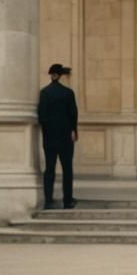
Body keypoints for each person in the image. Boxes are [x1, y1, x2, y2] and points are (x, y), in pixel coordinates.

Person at [37, 63, 78, 210]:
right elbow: (73, 114)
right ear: (60, 75)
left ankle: (48, 200)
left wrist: (47, 132)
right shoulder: (68, 93)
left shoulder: (44, 93)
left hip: (49, 138)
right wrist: (74, 131)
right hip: (66, 136)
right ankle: (68, 200)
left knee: (49, 169)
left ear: (51, 75)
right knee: (67, 169)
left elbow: (41, 116)